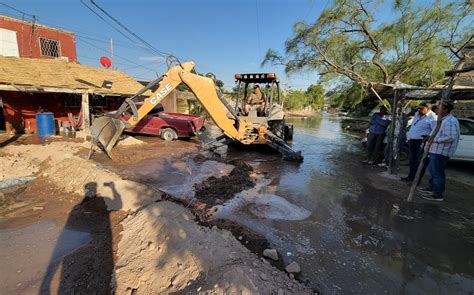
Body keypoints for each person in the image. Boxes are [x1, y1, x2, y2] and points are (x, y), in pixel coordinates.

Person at [417, 101, 460, 201]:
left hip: (441, 151)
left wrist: (433, 140)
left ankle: (437, 194)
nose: (437, 109)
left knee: (437, 172)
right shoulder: (443, 120)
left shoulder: (449, 121)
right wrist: (430, 137)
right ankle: (432, 188)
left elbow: (450, 137)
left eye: (439, 108)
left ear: (445, 110)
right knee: (433, 170)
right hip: (435, 150)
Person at [401, 102, 437, 183]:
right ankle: (410, 177)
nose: (419, 110)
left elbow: (435, 130)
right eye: (419, 108)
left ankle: (416, 180)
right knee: (412, 160)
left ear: (428, 109)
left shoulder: (433, 118)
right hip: (412, 141)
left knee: (420, 162)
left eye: (421, 108)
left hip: (421, 142)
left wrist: (428, 137)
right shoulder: (418, 114)